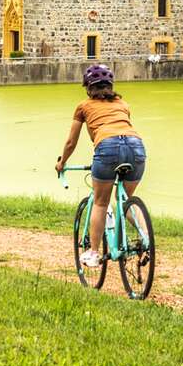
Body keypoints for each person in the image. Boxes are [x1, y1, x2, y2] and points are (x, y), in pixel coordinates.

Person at [55, 63, 147, 268]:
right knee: (126, 200)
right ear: (110, 86)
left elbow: (71, 142)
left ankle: (94, 252)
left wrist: (62, 162)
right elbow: (121, 128)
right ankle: (146, 240)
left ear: (88, 88)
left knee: (100, 202)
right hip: (136, 146)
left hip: (107, 148)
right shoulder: (123, 104)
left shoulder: (84, 106)